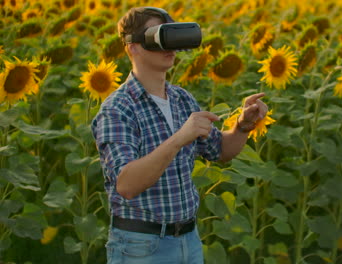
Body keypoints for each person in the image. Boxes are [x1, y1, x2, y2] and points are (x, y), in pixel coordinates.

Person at [91, 6, 268, 264]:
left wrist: (242, 126)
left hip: (188, 240)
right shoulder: (117, 109)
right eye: (158, 37)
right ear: (133, 47)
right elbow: (126, 185)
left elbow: (221, 151)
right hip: (140, 247)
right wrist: (178, 139)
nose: (170, 46)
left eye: (172, 36)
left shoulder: (181, 99)